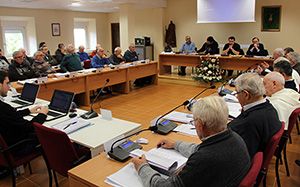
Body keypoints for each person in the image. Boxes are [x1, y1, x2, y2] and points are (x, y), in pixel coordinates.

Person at [132, 96, 250, 187]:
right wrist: (175, 144)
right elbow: (201, 149)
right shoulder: (233, 137)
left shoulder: (204, 159)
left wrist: (142, 167)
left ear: (199, 125)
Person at [229, 73, 281, 158]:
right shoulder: (270, 107)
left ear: (246, 95)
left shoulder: (247, 124)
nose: (237, 97)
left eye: (237, 93)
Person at [0, 70, 48, 156]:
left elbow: (11, 117)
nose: (9, 87)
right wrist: (42, 114)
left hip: (5, 146)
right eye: (7, 83)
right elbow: (29, 127)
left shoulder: (5, 109)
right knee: (48, 134)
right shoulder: (4, 108)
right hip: (17, 147)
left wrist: (28, 111)